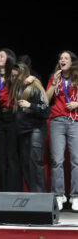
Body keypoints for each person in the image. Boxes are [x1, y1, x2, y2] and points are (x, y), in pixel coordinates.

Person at [10, 63, 49, 193]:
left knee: (35, 160)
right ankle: (33, 193)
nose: (13, 78)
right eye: (12, 75)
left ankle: (40, 194)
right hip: (23, 130)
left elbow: (46, 110)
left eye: (16, 76)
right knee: (25, 163)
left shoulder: (35, 86)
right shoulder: (16, 89)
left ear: (23, 74)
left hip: (36, 128)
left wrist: (30, 105)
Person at [46, 50, 78, 211]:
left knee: (76, 160)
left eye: (66, 58)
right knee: (57, 160)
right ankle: (58, 195)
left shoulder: (77, 77)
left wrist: (77, 104)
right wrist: (53, 84)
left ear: (72, 62)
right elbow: (46, 98)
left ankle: (75, 196)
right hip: (57, 120)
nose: (62, 60)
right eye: (60, 58)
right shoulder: (54, 77)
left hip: (74, 121)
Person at [0, 48, 22, 192]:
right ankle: (2, 193)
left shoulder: (14, 75)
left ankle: (13, 193)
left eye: (1, 56)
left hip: (12, 116)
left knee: (11, 157)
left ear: (9, 59)